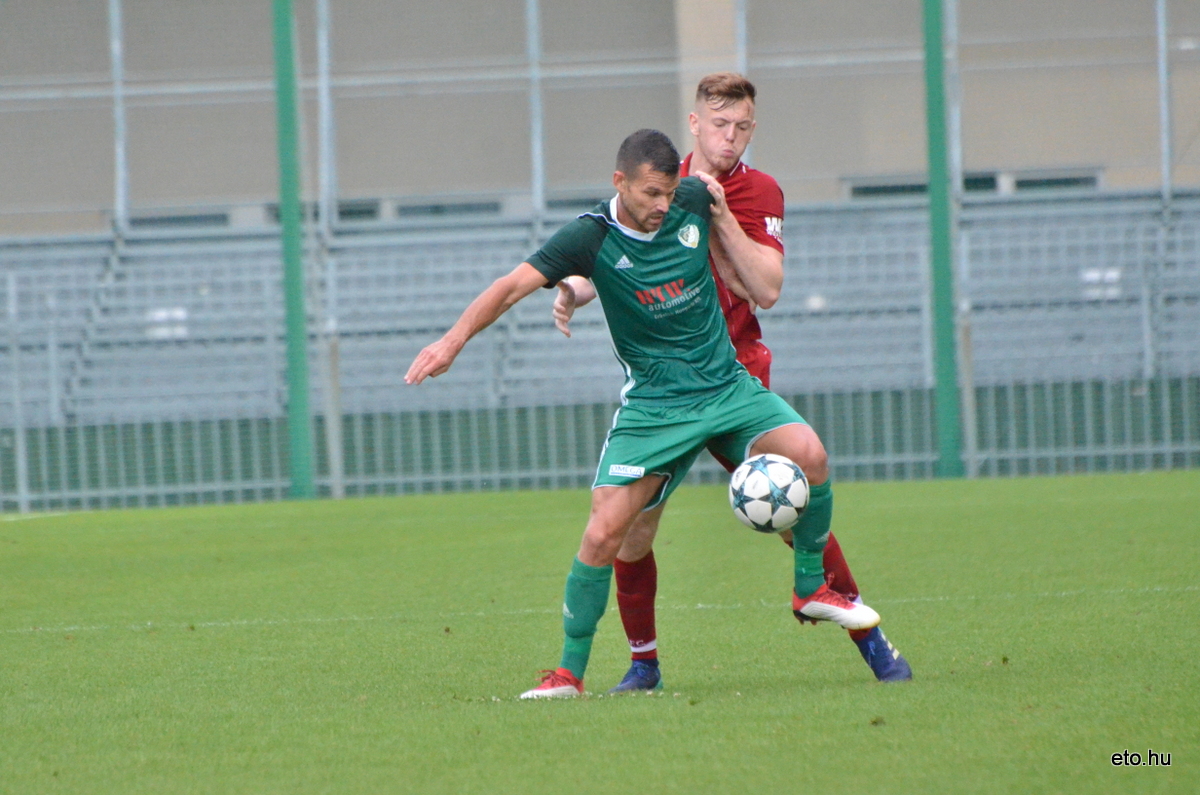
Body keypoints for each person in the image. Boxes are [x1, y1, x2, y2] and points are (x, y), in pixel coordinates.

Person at [407, 128, 882, 699]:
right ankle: (568, 675)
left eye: (669, 193)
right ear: (620, 183)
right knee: (606, 532)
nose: (663, 205)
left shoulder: (693, 202)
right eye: (651, 194)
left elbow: (742, 249)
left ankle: (809, 587)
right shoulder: (590, 234)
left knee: (811, 454)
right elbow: (511, 287)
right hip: (655, 408)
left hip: (726, 388)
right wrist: (451, 343)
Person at [553, 74, 912, 691]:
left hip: (734, 379)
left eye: (743, 126)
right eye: (720, 125)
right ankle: (644, 665)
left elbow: (765, 289)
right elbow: (626, 252)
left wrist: (720, 216)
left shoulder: (753, 192)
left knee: (797, 509)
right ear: (695, 124)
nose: (731, 137)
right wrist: (578, 286)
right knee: (633, 533)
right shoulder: (662, 185)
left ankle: (871, 641)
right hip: (667, 393)